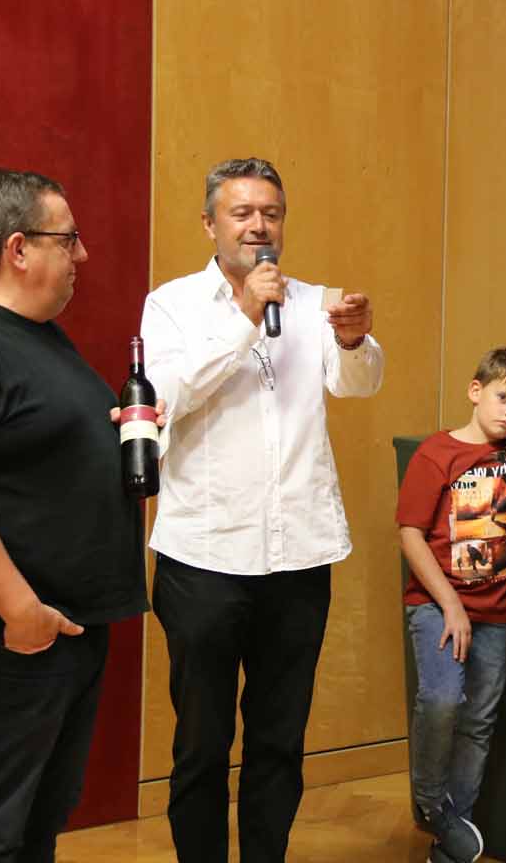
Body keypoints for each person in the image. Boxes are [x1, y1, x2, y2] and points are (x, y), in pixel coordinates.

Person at [139, 157, 384, 863]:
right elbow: (164, 398)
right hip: (203, 556)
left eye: (270, 213)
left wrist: (352, 339)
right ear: (209, 223)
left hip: (299, 556)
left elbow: (359, 383)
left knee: (279, 740)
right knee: (202, 743)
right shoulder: (172, 305)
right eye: (241, 213)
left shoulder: (311, 302)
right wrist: (246, 317)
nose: (258, 226)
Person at [0, 168, 149, 861]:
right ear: (18, 248)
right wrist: (21, 612)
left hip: (67, 626)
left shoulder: (38, 335)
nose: (82, 255)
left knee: (37, 823)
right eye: (68, 239)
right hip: (10, 637)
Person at [395, 346, 506, 863]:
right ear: (475, 391)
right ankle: (431, 804)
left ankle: (452, 838)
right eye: (502, 397)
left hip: (502, 614)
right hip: (439, 603)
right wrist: (450, 605)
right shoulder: (437, 453)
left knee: (478, 724)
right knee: (443, 699)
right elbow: (410, 534)